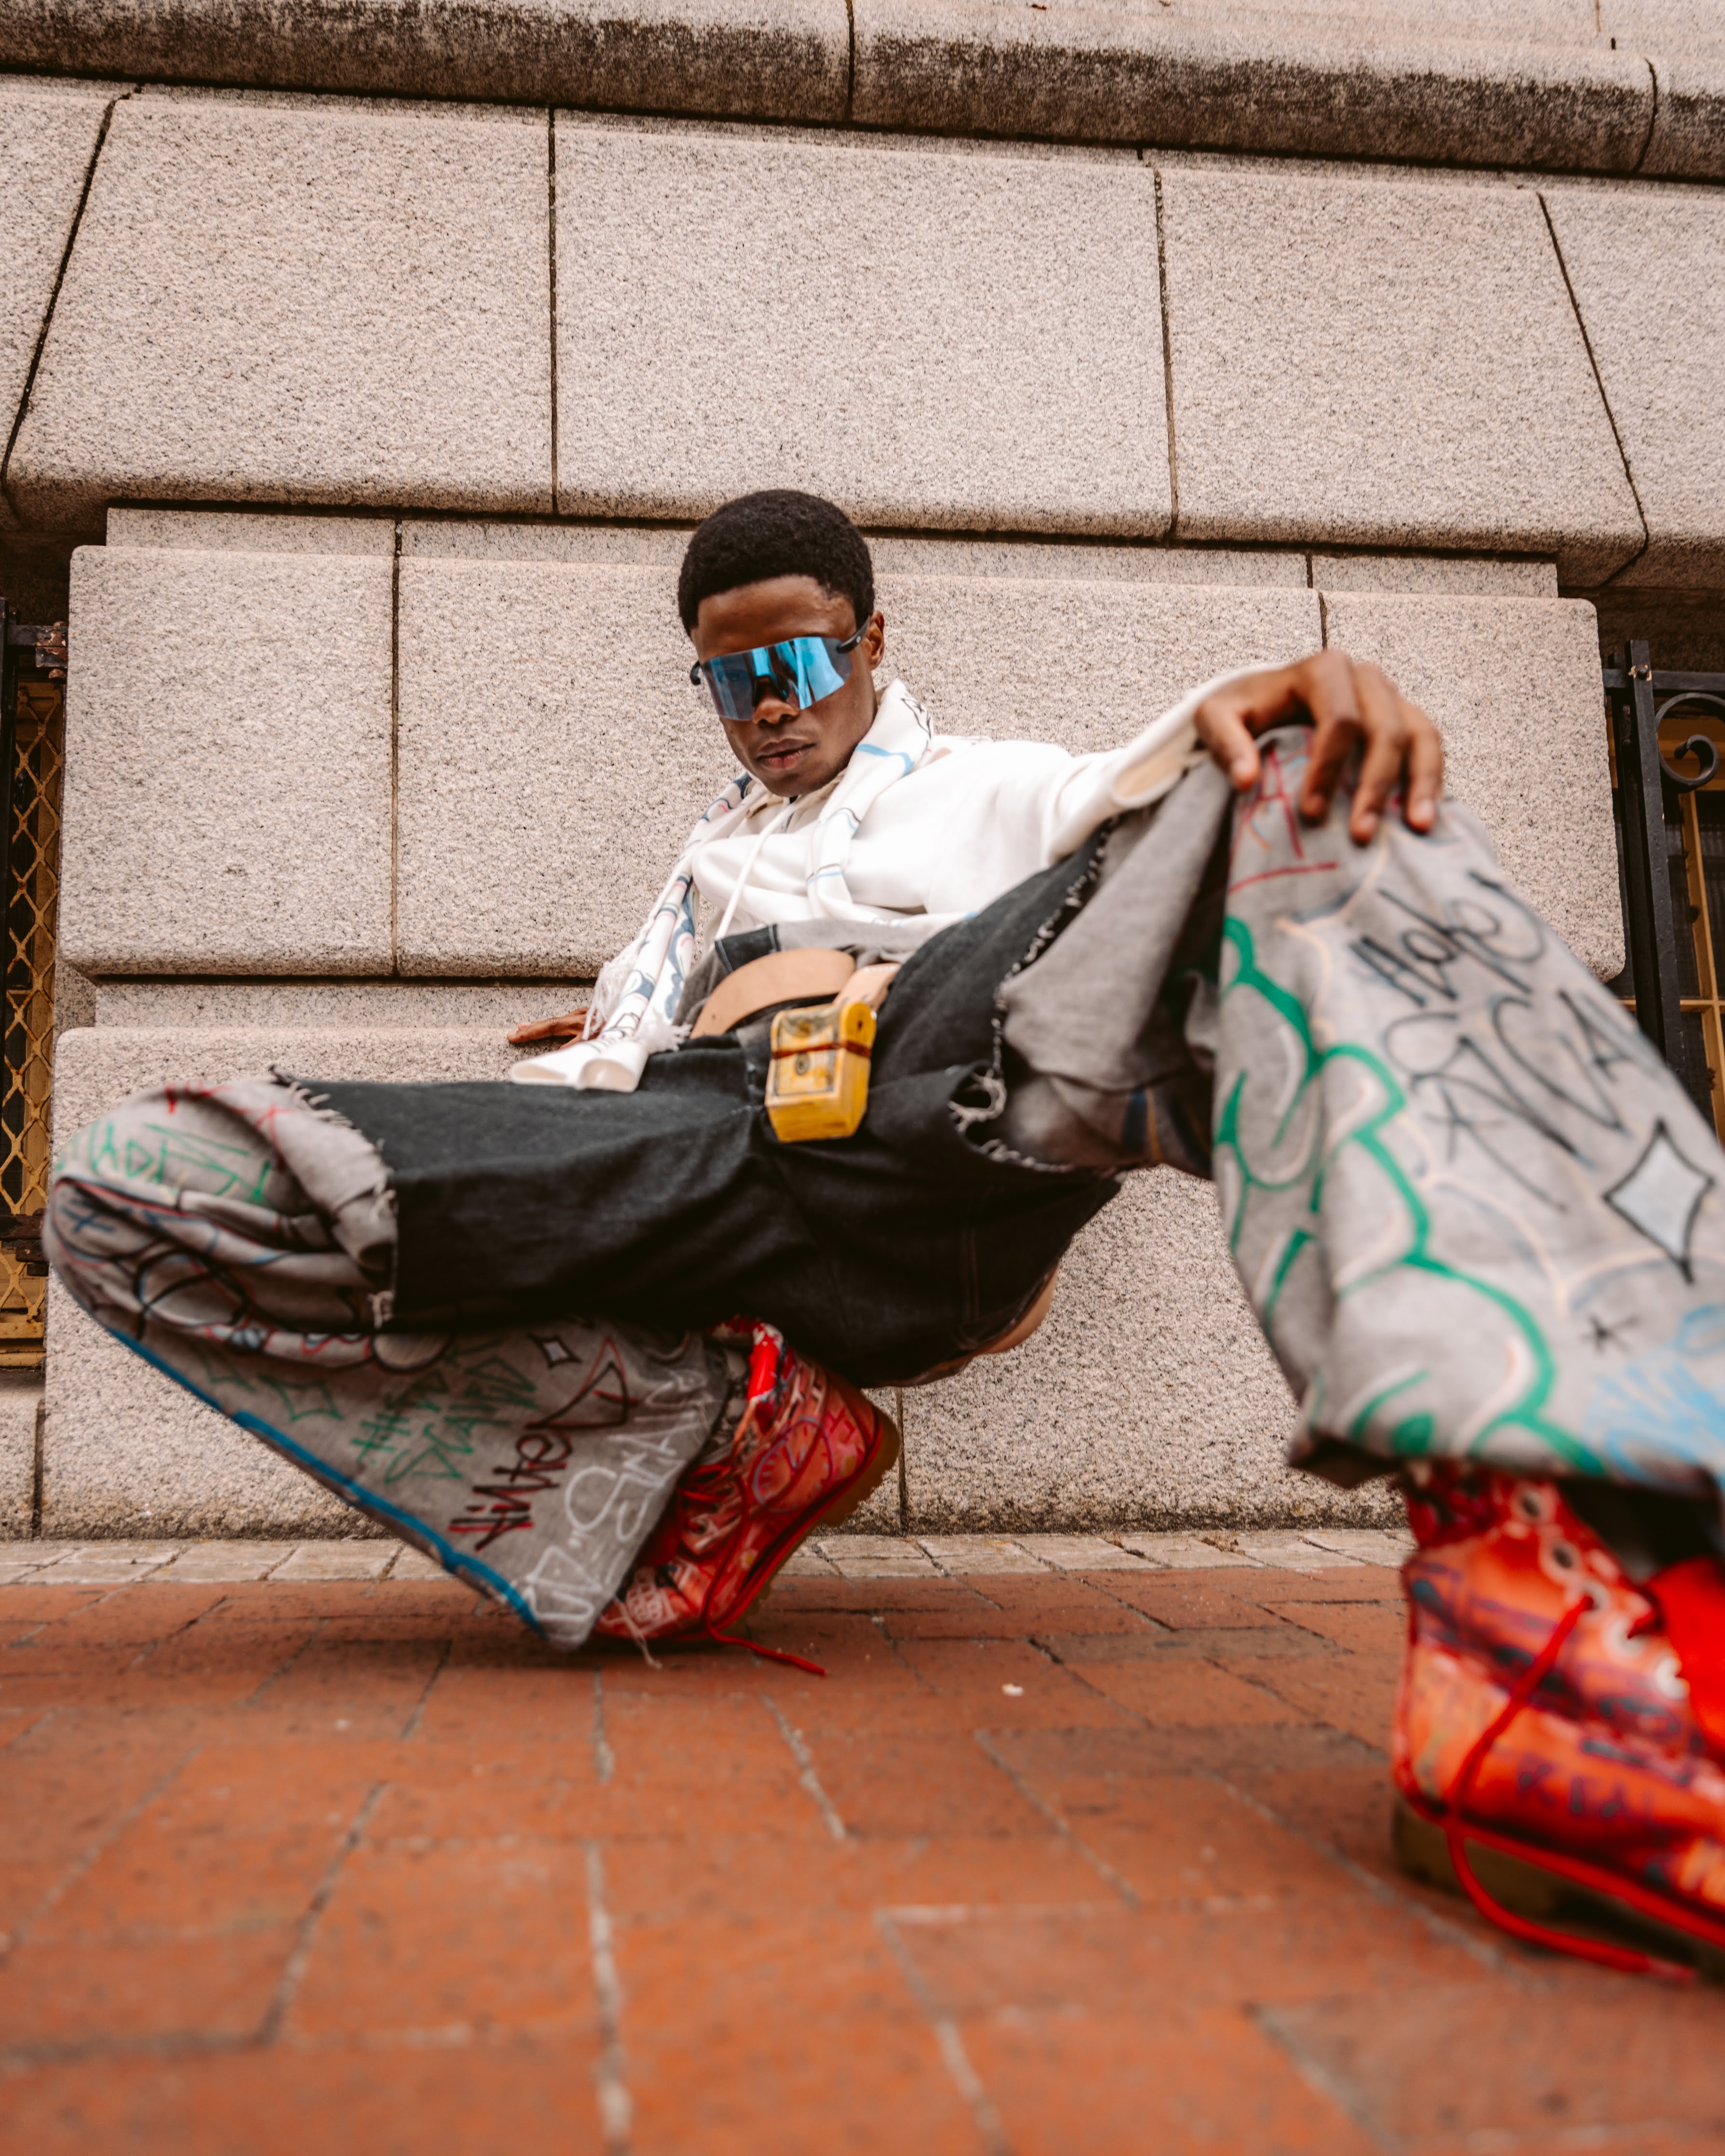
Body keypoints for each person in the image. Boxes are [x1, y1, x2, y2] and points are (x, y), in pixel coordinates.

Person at [45, 491, 1725, 1978]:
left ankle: (1579, 1585)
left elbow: (1131, 790)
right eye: (728, 683)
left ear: (868, 642)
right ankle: (719, 1442)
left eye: (795, 665)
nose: (769, 709)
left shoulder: (984, 788)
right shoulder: (696, 865)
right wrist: (587, 1058)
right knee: (143, 1183)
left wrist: (1286, 690)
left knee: (1284, 791)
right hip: (686, 1151)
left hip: (911, 1130)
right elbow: (616, 1050)